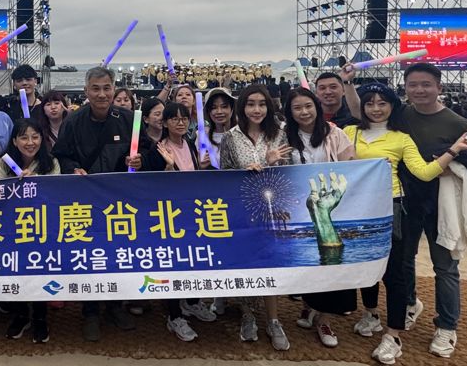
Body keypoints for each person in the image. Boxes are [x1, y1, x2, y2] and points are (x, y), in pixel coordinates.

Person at [342, 82, 467, 364]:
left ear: (393, 106)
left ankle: (393, 335)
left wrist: (453, 151)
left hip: (390, 209)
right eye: (370, 103)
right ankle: (372, 314)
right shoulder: (348, 132)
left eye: (382, 103)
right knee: (366, 266)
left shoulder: (401, 138)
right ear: (362, 106)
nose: (376, 109)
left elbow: (424, 173)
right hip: (357, 210)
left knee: (395, 273)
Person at [53, 66, 138, 341]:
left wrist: (141, 161)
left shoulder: (128, 119)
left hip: (120, 203)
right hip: (85, 202)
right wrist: (73, 168)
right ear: (86, 90)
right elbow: (61, 157)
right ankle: (89, 312)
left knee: (117, 255)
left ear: (114, 89)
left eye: (107, 88)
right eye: (96, 89)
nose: (102, 94)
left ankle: (116, 305)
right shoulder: (73, 122)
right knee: (90, 257)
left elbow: (148, 151)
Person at [398, 63, 467, 358]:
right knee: (404, 260)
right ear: (405, 88)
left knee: (445, 266)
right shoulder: (401, 116)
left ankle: (447, 325)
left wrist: (450, 163)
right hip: (407, 200)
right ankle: (410, 304)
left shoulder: (457, 123)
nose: (419, 90)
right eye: (413, 84)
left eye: (426, 84)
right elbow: (363, 116)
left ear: (439, 87)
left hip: (442, 204)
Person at [219, 84, 291, 351]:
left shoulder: (280, 134)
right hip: (241, 210)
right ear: (242, 107)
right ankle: (248, 314)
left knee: (270, 263)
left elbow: (290, 172)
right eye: (251, 104)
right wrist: (242, 171)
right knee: (246, 263)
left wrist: (271, 161)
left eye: (262, 104)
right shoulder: (230, 137)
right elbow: (224, 173)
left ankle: (273, 320)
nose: (256, 109)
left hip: (273, 210)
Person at [282, 88, 356, 347]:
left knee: (331, 264)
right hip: (297, 211)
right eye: (297, 108)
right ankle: (308, 305)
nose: (304, 112)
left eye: (308, 106)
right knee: (306, 262)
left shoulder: (335, 134)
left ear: (316, 106)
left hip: (332, 209)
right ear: (290, 112)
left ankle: (324, 319)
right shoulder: (284, 136)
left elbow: (353, 167)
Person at [145, 102, 216, 341]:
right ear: (164, 123)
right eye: (174, 119)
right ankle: (173, 315)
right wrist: (167, 166)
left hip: (190, 214)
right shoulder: (158, 149)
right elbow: (153, 186)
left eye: (184, 118)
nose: (180, 122)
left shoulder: (191, 146)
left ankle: (192, 301)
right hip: (168, 217)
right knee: (171, 265)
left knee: (192, 261)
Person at [0, 118, 60, 343]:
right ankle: (20, 315)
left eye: (35, 137)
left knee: (38, 273)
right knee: (14, 271)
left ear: (42, 139)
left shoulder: (52, 163)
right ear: (15, 141)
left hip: (41, 229)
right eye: (24, 137)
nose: (30, 142)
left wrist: (36, 181)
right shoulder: (5, 163)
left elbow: (56, 193)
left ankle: (39, 317)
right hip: (11, 230)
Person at [204, 87, 236, 167]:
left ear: (231, 109)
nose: (219, 112)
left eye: (224, 106)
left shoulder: (242, 134)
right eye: (214, 108)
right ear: (209, 112)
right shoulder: (202, 136)